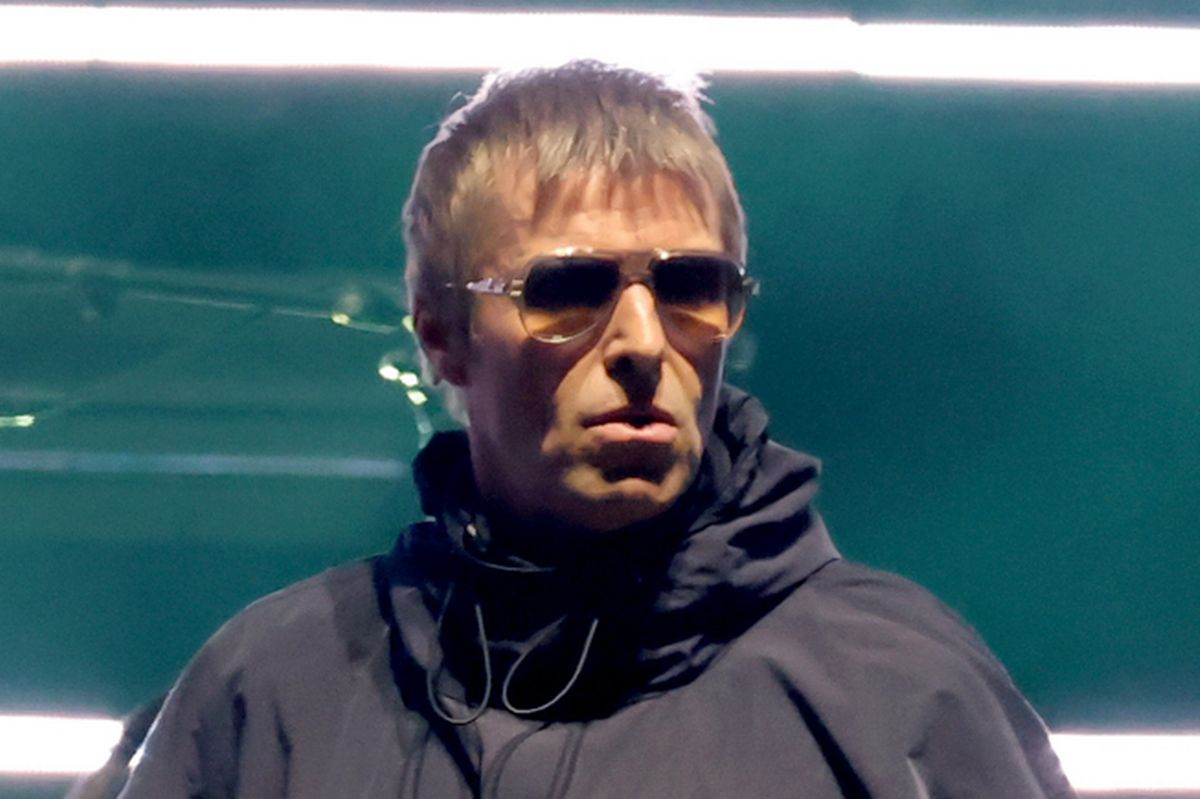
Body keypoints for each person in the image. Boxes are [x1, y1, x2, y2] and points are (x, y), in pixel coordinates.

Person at [119, 61, 1076, 798]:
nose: (642, 342)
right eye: (568, 289)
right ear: (442, 335)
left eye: (692, 285)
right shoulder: (270, 694)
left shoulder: (907, 695)